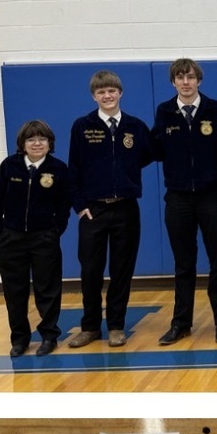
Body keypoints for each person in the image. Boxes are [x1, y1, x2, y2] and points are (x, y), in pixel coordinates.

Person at [66, 69, 154, 349]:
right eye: (101, 92)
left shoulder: (135, 126)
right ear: (94, 96)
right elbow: (73, 168)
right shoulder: (82, 126)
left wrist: (124, 175)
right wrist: (80, 205)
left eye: (112, 91)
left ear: (120, 93)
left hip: (126, 209)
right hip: (93, 210)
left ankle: (116, 326)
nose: (107, 96)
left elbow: (147, 155)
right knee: (90, 271)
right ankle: (90, 326)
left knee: (121, 271)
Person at [153, 58, 217, 346]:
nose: (185, 82)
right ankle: (181, 323)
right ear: (173, 82)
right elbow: (155, 150)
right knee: (183, 264)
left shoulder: (216, 109)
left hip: (211, 196)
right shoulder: (164, 111)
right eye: (180, 77)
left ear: (199, 80)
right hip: (177, 198)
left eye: (190, 77)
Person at [0, 119, 72, 357]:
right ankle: (19, 339)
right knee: (15, 292)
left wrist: (55, 230)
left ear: (49, 143)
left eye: (42, 139)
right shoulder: (9, 166)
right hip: (11, 238)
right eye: (31, 139)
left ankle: (49, 336)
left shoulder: (58, 169)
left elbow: (64, 204)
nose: (37, 143)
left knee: (48, 290)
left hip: (44, 238)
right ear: (22, 143)